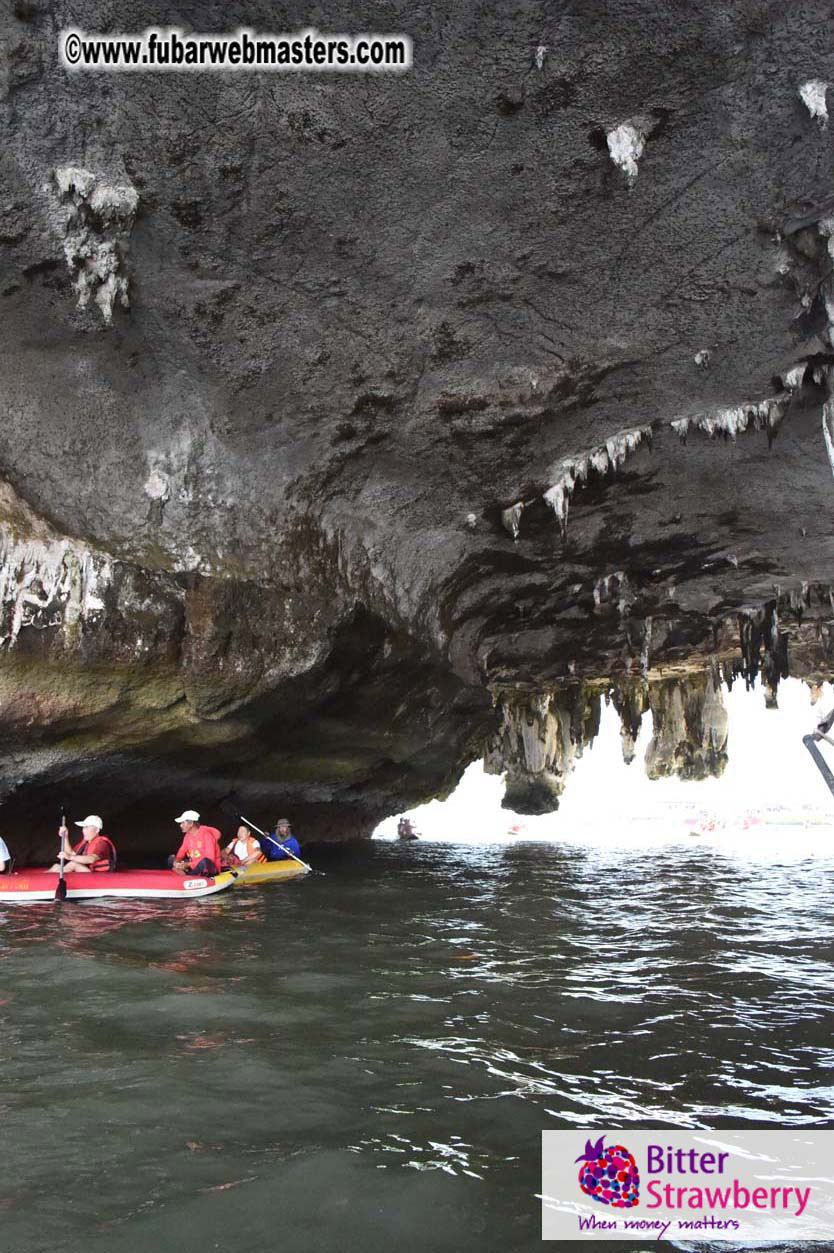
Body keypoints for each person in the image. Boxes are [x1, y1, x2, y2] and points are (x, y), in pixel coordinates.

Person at [48, 816, 116, 874]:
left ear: (97, 830)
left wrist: (70, 857)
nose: (83, 830)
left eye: (87, 827)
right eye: (83, 827)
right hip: (88, 870)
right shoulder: (86, 842)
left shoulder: (101, 843)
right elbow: (71, 853)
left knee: (74, 864)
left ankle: (51, 882)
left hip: (99, 875)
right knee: (56, 866)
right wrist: (65, 837)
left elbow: (91, 859)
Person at [169, 810, 222, 876]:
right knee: (171, 858)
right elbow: (182, 850)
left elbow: (210, 859)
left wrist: (187, 864)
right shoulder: (187, 835)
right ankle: (186, 872)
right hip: (194, 866)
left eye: (183, 823)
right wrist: (177, 861)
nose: (181, 825)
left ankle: (188, 875)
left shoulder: (207, 835)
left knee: (205, 862)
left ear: (191, 823)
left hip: (210, 868)